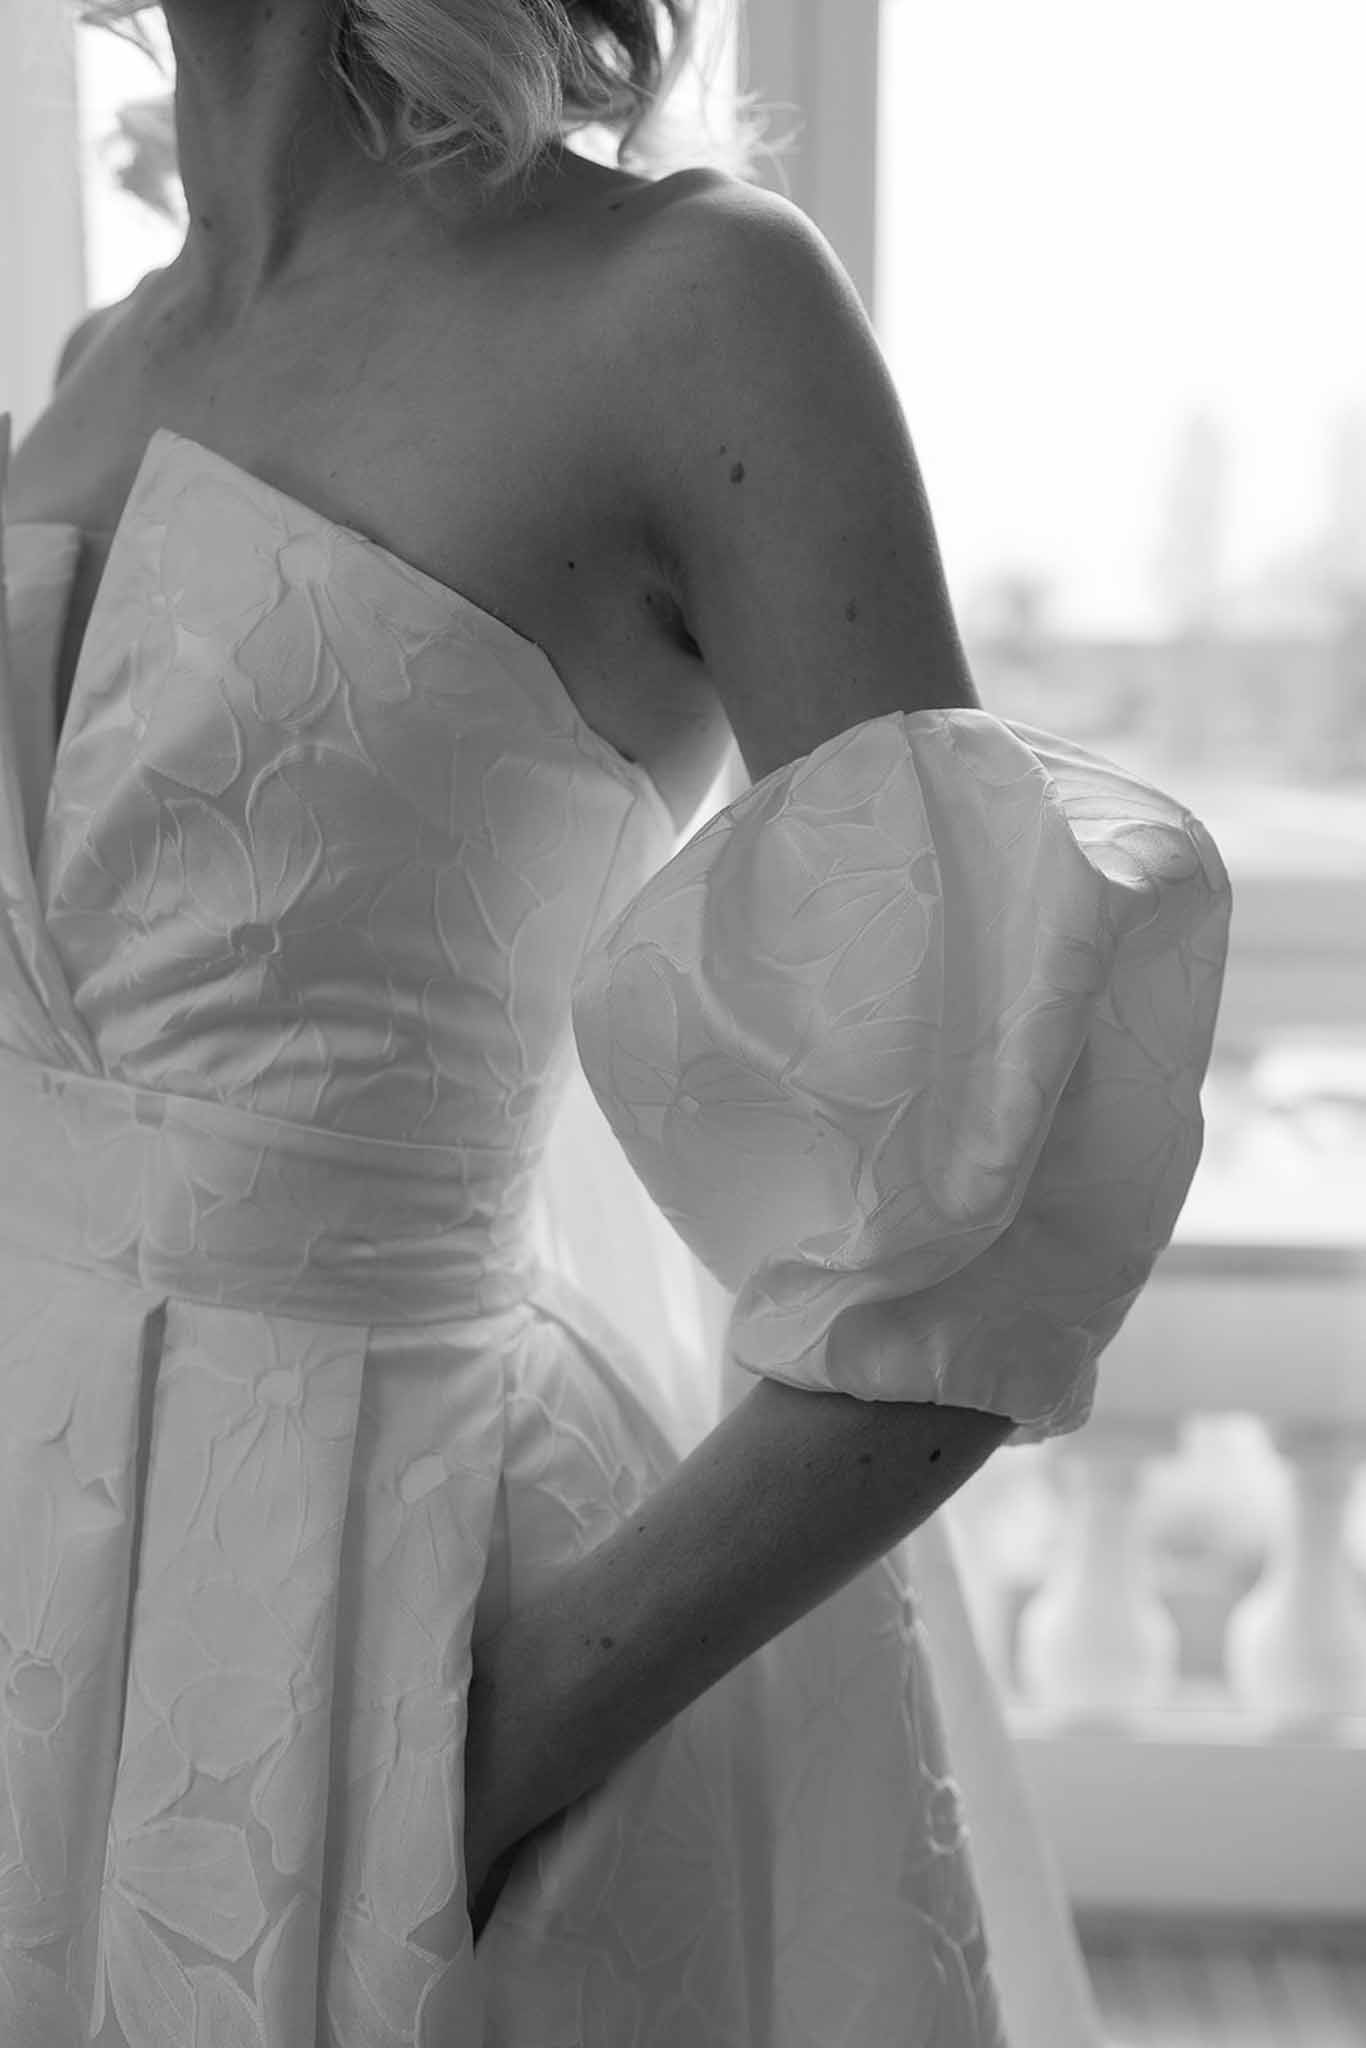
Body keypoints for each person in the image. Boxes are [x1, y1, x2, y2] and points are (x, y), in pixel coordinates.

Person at [0, 1, 1232, 2041]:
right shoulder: (90, 371)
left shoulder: (689, 307)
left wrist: (483, 1750)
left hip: (401, 1611)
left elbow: (986, 1192)